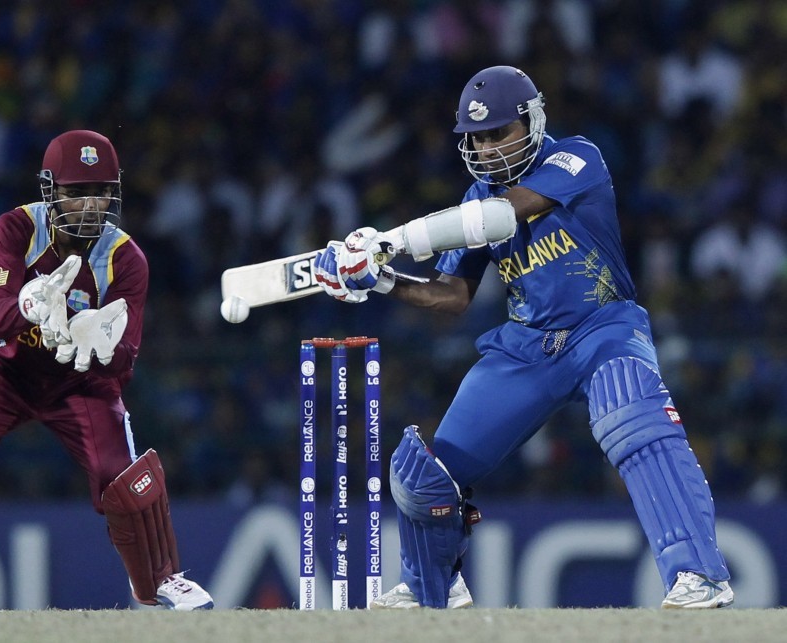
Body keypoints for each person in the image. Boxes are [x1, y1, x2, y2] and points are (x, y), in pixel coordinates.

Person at [314, 66, 733, 610]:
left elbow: (499, 216)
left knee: (633, 417)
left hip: (601, 326)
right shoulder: (475, 194)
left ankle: (699, 576)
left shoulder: (576, 158)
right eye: (477, 138)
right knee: (426, 475)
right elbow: (453, 295)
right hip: (527, 344)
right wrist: (381, 279)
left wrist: (385, 242)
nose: (487, 150)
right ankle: (432, 588)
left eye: (498, 134)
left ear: (532, 122)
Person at [0, 130, 214, 611]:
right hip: (8, 367)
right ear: (51, 190)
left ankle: (161, 581)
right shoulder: (14, 230)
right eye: (77, 192)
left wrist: (102, 342)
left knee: (123, 471)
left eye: (100, 191)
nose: (91, 205)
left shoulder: (126, 258)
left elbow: (126, 356)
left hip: (80, 380)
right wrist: (29, 305)